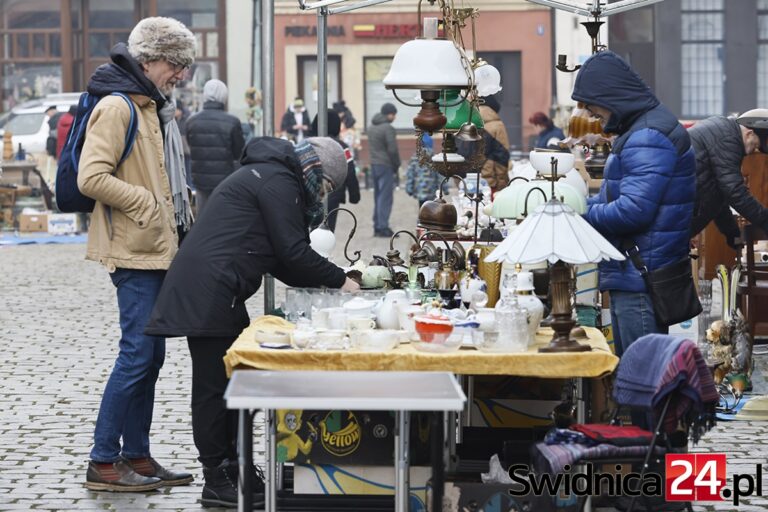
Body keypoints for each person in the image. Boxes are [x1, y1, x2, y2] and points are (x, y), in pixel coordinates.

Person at [144, 136, 360, 507]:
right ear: (316, 170)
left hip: (219, 288)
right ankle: (217, 478)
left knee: (230, 384)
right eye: (326, 187)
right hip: (210, 288)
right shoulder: (279, 181)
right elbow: (293, 251)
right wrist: (341, 280)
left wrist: (328, 282)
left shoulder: (274, 176)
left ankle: (236, 468)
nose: (322, 195)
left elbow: (280, 259)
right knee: (213, 388)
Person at [77, 16, 196, 492]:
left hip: (155, 249)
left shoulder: (150, 107)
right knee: (136, 356)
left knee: (151, 358)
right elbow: (91, 176)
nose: (181, 74)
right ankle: (103, 461)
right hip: (133, 251)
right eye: (174, 64)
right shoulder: (118, 106)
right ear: (148, 60)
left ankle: (137, 456)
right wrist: (145, 202)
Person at [572, 50, 696, 357]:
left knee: (642, 375)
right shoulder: (646, 128)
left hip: (639, 277)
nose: (593, 116)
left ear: (610, 97)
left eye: (593, 107)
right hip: (640, 270)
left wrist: (578, 211)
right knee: (642, 372)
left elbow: (633, 211)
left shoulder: (647, 136)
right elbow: (622, 200)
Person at [688, 113, 768, 245]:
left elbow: (718, 193)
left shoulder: (723, 132)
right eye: (754, 146)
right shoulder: (728, 140)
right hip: (677, 216)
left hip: (677, 213)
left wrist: (731, 232)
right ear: (749, 133)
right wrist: (765, 221)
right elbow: (735, 192)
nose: (751, 152)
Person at [186, 79, 245, 216]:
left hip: (200, 180)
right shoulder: (232, 122)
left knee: (203, 217)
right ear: (224, 96)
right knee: (222, 218)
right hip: (225, 180)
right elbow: (238, 153)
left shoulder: (192, 121)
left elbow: (191, 146)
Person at [309, 109, 360, 231]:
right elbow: (350, 170)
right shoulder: (341, 146)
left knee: (312, 229)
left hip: (311, 194)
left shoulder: (309, 144)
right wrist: (354, 195)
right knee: (327, 229)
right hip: (333, 193)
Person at [368, 102, 400, 237]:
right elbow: (392, 150)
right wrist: (396, 164)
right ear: (389, 114)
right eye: (394, 114)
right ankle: (383, 227)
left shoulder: (371, 128)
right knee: (385, 197)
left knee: (378, 196)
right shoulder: (388, 128)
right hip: (385, 165)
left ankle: (377, 225)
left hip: (374, 165)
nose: (395, 117)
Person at [478, 93, 510, 193]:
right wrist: (502, 183)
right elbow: (502, 155)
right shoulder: (497, 126)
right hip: (490, 183)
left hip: (467, 182)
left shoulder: (466, 122)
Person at [405, 133, 442, 207]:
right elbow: (440, 175)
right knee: (431, 207)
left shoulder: (415, 157)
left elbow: (410, 174)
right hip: (431, 189)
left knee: (422, 207)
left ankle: (422, 214)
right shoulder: (434, 158)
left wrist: (409, 188)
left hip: (419, 189)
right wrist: (444, 188)